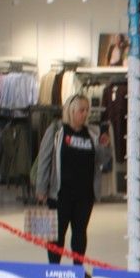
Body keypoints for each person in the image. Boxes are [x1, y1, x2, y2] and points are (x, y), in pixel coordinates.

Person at [33, 93, 111, 265]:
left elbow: (103, 161)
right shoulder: (56, 130)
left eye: (87, 110)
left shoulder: (92, 133)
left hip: (84, 194)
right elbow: (44, 160)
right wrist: (41, 189)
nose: (85, 114)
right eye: (81, 110)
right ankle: (54, 268)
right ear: (71, 111)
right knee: (56, 234)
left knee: (80, 233)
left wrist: (105, 146)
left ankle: (78, 268)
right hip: (60, 194)